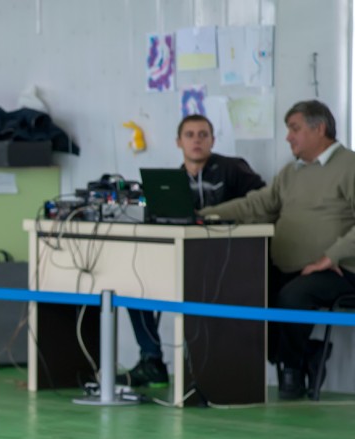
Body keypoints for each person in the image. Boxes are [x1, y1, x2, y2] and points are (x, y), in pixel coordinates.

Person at [200, 100, 355, 400]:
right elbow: (257, 204)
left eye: (294, 129)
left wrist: (331, 256)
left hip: (339, 270)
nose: (288, 137)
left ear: (319, 128)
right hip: (290, 267)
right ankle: (304, 354)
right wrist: (205, 215)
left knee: (293, 296)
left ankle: (291, 369)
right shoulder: (291, 172)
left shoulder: (349, 165)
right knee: (247, 291)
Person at [120, 114, 266, 388]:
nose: (196, 140)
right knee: (134, 286)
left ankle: (201, 370)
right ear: (179, 142)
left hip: (226, 262)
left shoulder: (232, 169)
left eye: (203, 135)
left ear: (212, 140)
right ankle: (151, 360)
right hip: (180, 259)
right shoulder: (171, 181)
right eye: (189, 135)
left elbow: (263, 200)